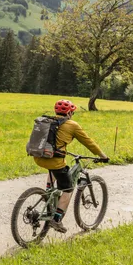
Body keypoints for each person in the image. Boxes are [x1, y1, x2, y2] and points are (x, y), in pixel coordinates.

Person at [33, 100, 109, 234]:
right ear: (69, 113)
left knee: (55, 170)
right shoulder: (72, 125)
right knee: (68, 188)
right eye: (72, 113)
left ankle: (48, 191)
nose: (72, 115)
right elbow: (88, 142)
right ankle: (56, 219)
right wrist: (102, 155)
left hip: (39, 158)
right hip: (54, 161)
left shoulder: (47, 120)